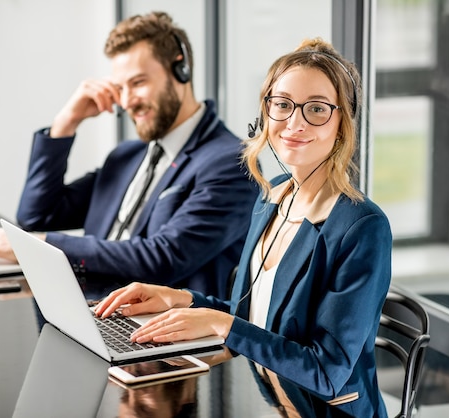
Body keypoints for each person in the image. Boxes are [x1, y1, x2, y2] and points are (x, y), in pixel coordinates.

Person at [95, 37, 393, 417]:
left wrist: (223, 324)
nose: (294, 123)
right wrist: (180, 299)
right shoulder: (273, 198)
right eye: (282, 105)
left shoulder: (362, 227)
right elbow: (251, 316)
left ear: (342, 124)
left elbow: (327, 371)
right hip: (272, 399)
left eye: (316, 109)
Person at [0, 11, 257, 299]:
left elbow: (163, 259)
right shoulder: (127, 156)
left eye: (139, 83)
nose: (127, 102)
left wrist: (43, 245)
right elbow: (37, 217)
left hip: (161, 332)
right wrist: (66, 124)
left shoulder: (230, 162)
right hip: (92, 306)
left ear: (181, 70)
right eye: (119, 88)